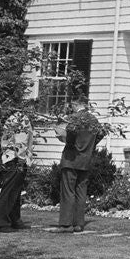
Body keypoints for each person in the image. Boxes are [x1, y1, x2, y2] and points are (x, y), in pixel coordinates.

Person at [55, 97, 104, 233]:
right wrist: (91, 145)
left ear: (76, 105)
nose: (71, 108)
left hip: (71, 159)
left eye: (72, 106)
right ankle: (78, 224)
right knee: (81, 192)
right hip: (86, 159)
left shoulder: (74, 118)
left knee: (68, 192)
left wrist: (69, 142)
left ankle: (66, 224)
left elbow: (70, 135)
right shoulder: (93, 119)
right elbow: (102, 133)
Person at [0, 111, 34, 232]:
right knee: (9, 191)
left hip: (19, 159)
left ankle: (14, 219)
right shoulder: (17, 120)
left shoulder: (23, 119)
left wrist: (27, 158)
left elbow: (28, 140)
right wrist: (20, 158)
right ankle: (2, 222)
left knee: (16, 191)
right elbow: (17, 142)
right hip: (14, 159)